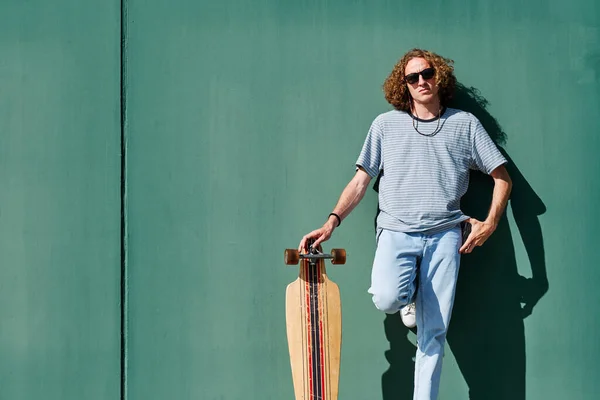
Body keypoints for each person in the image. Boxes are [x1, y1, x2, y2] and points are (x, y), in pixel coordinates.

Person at [298, 48, 512, 400]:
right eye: (413, 77)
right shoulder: (385, 126)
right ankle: (409, 296)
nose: (421, 81)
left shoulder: (465, 125)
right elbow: (359, 183)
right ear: (404, 85)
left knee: (434, 334)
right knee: (386, 297)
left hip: (445, 236)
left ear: (438, 76)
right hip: (396, 232)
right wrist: (331, 223)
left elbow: (502, 178)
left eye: (427, 73)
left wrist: (489, 223)